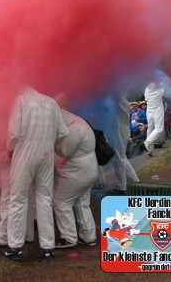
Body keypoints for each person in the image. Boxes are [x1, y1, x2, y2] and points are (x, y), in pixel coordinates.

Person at [3, 85, 68, 262]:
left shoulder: (20, 101)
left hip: (24, 154)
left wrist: (9, 149)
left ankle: (15, 247)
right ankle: (48, 248)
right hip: (46, 154)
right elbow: (63, 132)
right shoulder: (52, 103)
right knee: (45, 200)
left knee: (18, 199)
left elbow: (14, 133)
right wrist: (49, 143)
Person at [52, 94, 98, 249]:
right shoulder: (80, 121)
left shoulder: (73, 128)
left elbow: (65, 151)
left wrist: (55, 144)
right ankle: (88, 236)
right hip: (90, 168)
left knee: (61, 202)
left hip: (77, 171)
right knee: (82, 203)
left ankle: (68, 237)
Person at [143, 82, 165, 156]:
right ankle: (148, 142)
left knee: (150, 129)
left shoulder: (146, 91)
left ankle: (150, 150)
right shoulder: (159, 92)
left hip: (149, 112)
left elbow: (146, 99)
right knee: (159, 128)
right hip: (157, 111)